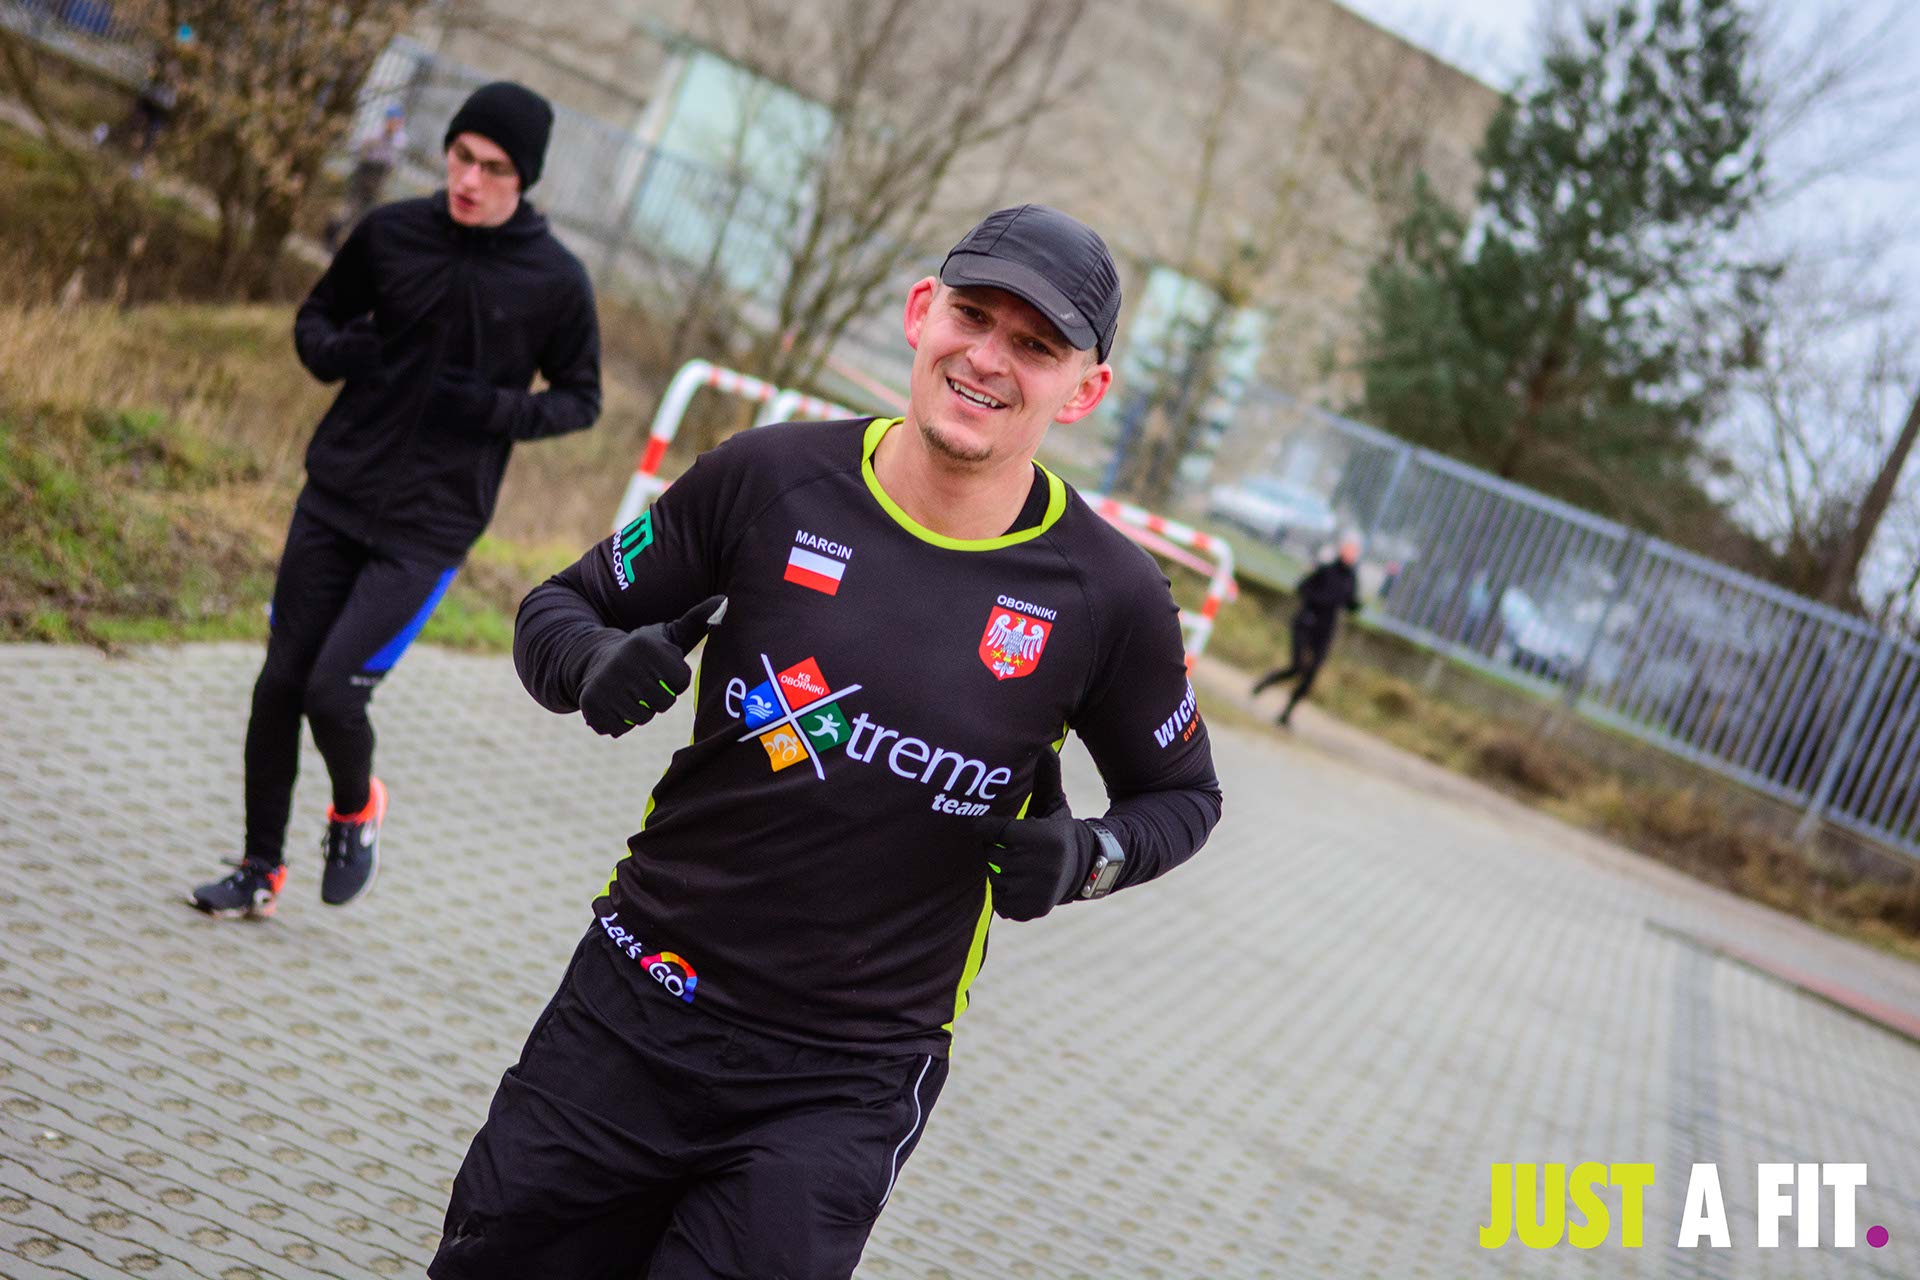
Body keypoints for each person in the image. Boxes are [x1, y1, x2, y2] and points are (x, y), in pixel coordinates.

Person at [431, 205, 1222, 1278]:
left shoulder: (1109, 597)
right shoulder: (768, 478)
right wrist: (589, 664)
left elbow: (1183, 796)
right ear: (920, 312)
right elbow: (557, 607)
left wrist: (1089, 857)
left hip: (841, 1084)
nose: (989, 359)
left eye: (1036, 345)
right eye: (972, 316)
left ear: (1084, 390)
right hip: (630, 1007)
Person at [189, 82, 602, 919]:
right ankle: (259, 867)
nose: (469, 180)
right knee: (279, 684)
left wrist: (493, 408)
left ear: (523, 178)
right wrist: (346, 352)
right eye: (461, 157)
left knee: (334, 691)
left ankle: (355, 809)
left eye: (492, 167)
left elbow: (579, 399)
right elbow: (315, 322)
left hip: (431, 525)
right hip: (337, 491)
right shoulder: (391, 233)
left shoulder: (556, 281)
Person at [1252, 531, 1363, 725]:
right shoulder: (1326, 569)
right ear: (1341, 549)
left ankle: (1286, 714)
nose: (1351, 554)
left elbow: (1349, 602)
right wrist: (1321, 600)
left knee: (1311, 675)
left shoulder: (1351, 578)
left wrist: (1355, 605)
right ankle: (1268, 681)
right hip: (1307, 622)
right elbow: (1302, 588)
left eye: (1355, 551)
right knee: (1297, 666)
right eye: (1349, 549)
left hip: (1325, 631)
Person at [326, 104, 410, 250]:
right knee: (348, 211)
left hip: (378, 177)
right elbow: (359, 150)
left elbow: (393, 162)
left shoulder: (400, 139)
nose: (395, 125)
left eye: (398, 122)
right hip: (364, 173)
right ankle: (330, 236)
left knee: (364, 216)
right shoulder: (374, 133)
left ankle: (348, 246)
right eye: (393, 121)